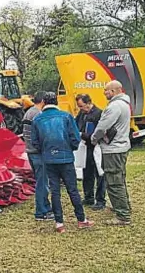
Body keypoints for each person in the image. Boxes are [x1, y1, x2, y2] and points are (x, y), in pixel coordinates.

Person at [31, 92, 95, 233]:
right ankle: (81, 219)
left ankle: (59, 223)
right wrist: (70, 149)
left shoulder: (37, 119)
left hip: (48, 159)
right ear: (56, 101)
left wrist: (45, 151)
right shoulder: (66, 116)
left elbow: (34, 142)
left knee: (55, 191)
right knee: (72, 190)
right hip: (66, 157)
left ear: (44, 102)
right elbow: (75, 137)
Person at [91, 80, 132, 226]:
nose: (104, 93)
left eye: (106, 90)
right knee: (119, 179)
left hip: (113, 149)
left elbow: (102, 127)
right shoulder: (124, 104)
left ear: (114, 91)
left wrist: (93, 138)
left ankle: (122, 215)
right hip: (120, 147)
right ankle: (123, 206)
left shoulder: (114, 106)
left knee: (114, 182)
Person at [22, 91, 52, 221]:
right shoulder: (38, 114)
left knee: (41, 181)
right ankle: (42, 212)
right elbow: (41, 135)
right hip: (38, 153)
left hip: (30, 151)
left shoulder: (29, 112)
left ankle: (45, 206)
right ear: (44, 101)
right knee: (42, 183)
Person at [74, 94, 106, 210]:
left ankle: (101, 200)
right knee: (86, 171)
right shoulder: (82, 114)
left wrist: (84, 135)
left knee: (99, 173)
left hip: (96, 147)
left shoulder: (99, 113)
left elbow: (100, 132)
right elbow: (75, 124)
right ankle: (88, 197)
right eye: (79, 106)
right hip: (84, 147)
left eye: (82, 106)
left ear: (89, 103)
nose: (80, 109)